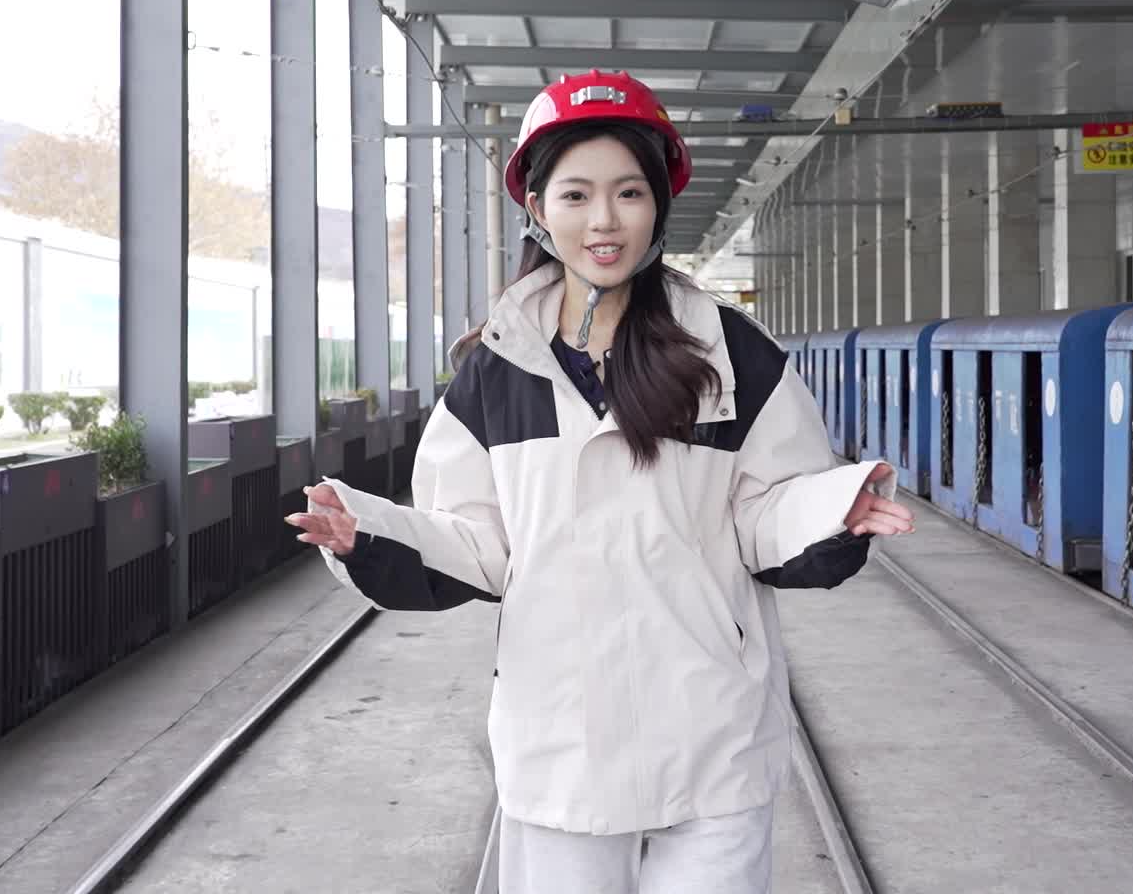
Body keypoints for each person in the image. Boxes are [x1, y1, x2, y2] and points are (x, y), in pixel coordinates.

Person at [288, 69, 915, 893]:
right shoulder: (496, 368)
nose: (604, 220)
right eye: (576, 195)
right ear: (538, 208)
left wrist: (833, 507)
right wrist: (369, 532)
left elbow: (764, 510)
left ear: (659, 205)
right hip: (562, 732)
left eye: (628, 192)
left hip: (709, 723)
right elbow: (476, 542)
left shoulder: (730, 351)